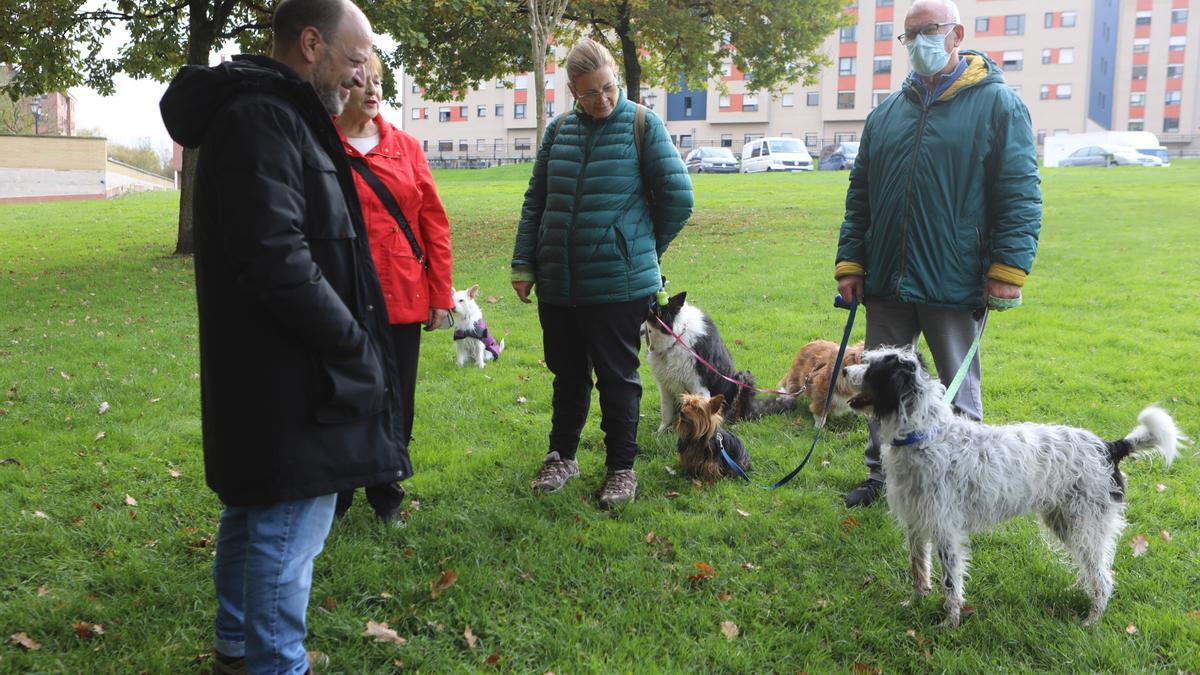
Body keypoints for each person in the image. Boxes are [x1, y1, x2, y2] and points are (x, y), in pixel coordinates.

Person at [160, 0, 408, 671]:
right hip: (288, 374)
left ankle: (239, 647)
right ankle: (275, 661)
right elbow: (277, 257)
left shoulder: (277, 113)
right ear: (309, 44)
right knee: (286, 523)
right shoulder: (262, 118)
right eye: (355, 61)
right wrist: (353, 342)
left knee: (258, 510)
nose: (362, 79)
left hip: (279, 369)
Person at [835, 0, 1041, 508]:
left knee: (957, 388)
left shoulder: (998, 105)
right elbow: (860, 193)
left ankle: (969, 483)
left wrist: (1008, 270)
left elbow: (1019, 191)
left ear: (955, 34)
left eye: (929, 31)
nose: (919, 42)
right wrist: (851, 262)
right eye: (910, 35)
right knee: (880, 385)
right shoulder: (886, 115)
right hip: (888, 281)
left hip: (954, 277)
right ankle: (883, 476)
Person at [512, 38, 694, 509]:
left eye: (608, 88)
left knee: (618, 378)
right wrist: (524, 262)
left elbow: (678, 199)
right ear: (573, 89)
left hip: (618, 284)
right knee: (567, 374)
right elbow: (537, 200)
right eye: (590, 93)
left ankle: (621, 469)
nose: (602, 100)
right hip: (559, 283)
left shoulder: (641, 124)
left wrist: (640, 251)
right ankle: (562, 456)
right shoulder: (557, 132)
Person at [331, 52, 453, 522]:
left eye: (378, 81)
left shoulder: (407, 147)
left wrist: (440, 295)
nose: (373, 89)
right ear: (341, 86)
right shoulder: (321, 144)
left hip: (403, 294)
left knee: (396, 399)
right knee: (340, 393)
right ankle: (336, 494)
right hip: (340, 295)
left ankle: (387, 495)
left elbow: (433, 225)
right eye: (361, 81)